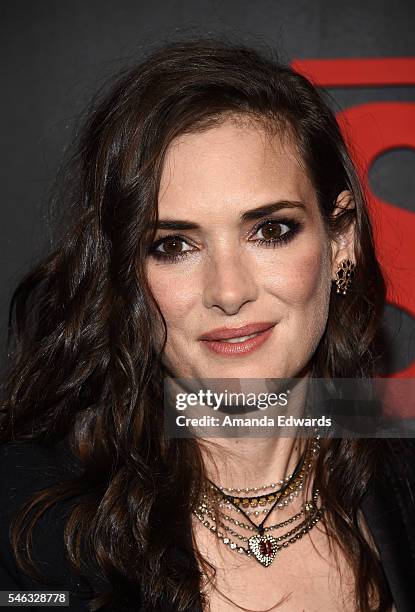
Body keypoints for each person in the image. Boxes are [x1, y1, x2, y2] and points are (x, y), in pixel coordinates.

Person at [0, 38, 414, 612]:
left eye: (270, 231)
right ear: (124, 273)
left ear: (340, 240)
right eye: (174, 245)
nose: (228, 291)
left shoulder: (403, 480)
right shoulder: (28, 522)